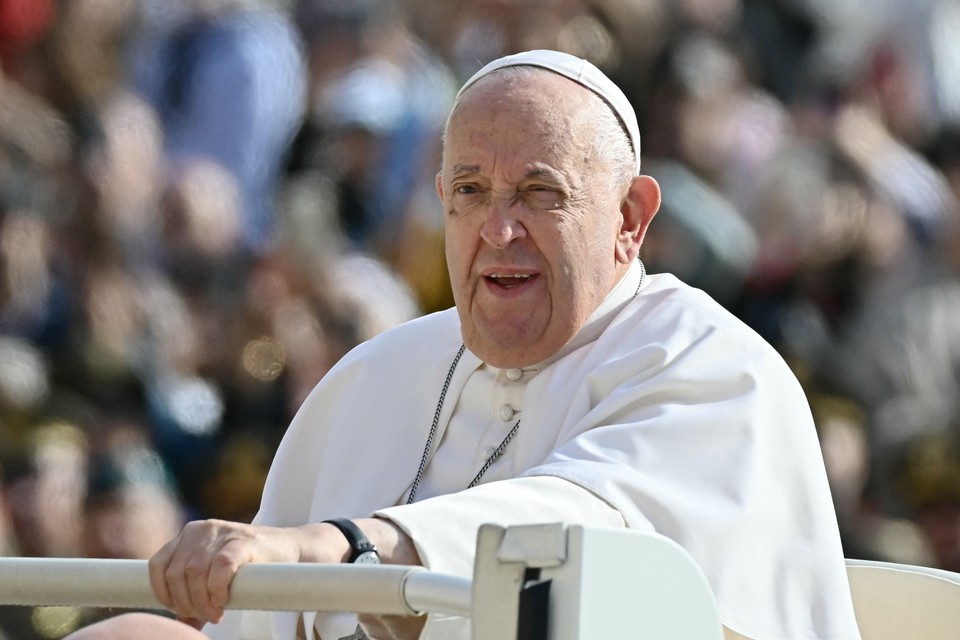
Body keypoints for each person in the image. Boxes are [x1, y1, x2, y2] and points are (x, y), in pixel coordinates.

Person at [65, 50, 861, 640]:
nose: (498, 229)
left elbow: (579, 535)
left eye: (540, 193)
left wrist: (337, 546)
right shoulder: (377, 375)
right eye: (470, 192)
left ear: (629, 218)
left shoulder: (717, 368)